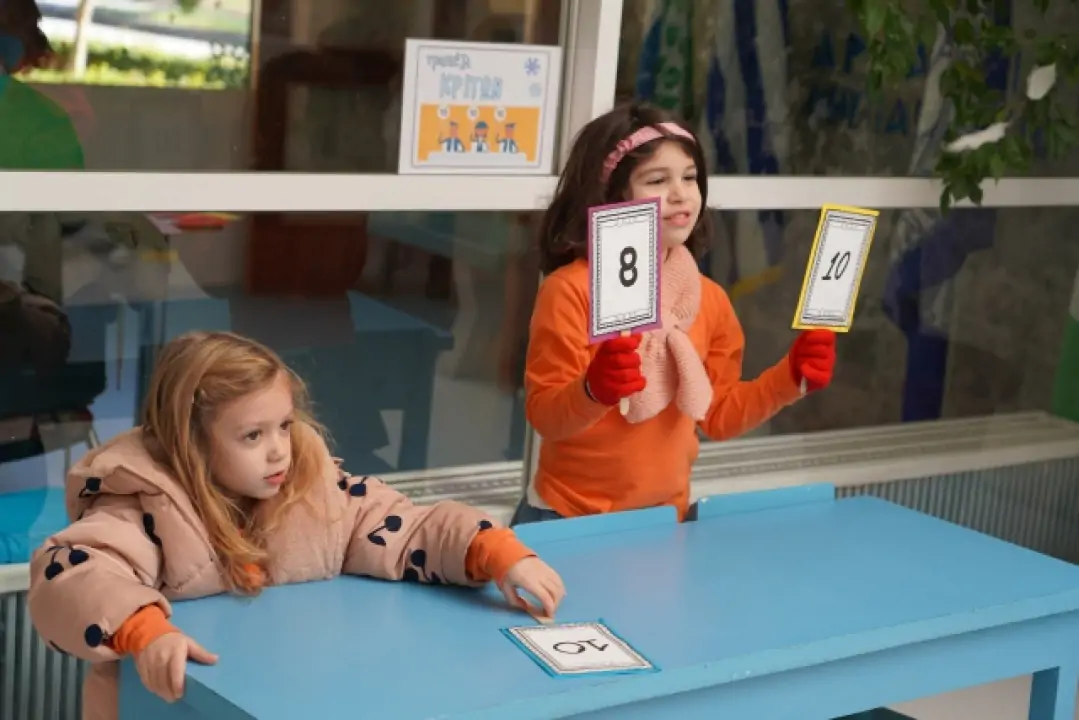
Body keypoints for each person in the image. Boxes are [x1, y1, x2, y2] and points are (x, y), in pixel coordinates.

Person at [28, 331, 565, 719]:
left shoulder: (314, 488)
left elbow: (406, 527)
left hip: (276, 697)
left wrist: (493, 550)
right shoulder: (140, 504)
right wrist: (145, 632)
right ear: (189, 442)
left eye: (283, 426)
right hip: (158, 706)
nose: (279, 450)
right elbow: (72, 574)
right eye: (252, 435)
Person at [513, 102, 836, 526]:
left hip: (666, 521)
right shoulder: (570, 290)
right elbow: (546, 417)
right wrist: (592, 390)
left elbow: (717, 415)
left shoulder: (711, 300)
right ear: (612, 195)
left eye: (689, 177)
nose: (681, 194)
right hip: (565, 518)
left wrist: (789, 377)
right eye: (657, 180)